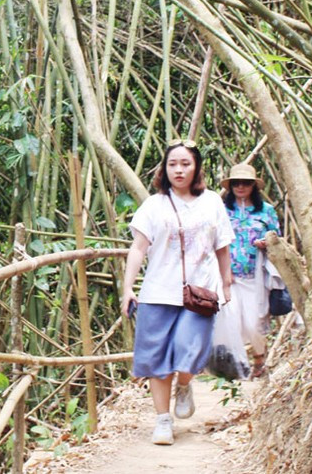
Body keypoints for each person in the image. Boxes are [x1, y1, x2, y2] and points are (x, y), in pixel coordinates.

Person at [121, 139, 235, 446]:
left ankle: (184, 384)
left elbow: (222, 245)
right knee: (157, 360)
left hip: (200, 292)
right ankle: (162, 421)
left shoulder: (212, 201)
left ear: (196, 166)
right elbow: (138, 249)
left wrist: (226, 283)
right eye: (172, 164)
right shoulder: (154, 205)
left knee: (189, 352)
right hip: (159, 292)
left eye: (185, 164)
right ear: (164, 168)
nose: (179, 170)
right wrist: (127, 288)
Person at [220, 163, 280, 378]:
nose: (241, 186)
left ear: (254, 186)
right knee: (232, 319)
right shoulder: (222, 211)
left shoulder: (267, 211)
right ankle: (237, 365)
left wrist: (266, 243)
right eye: (236, 183)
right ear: (230, 186)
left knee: (255, 321)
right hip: (229, 275)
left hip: (257, 274)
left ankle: (259, 360)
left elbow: (277, 239)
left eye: (246, 183)